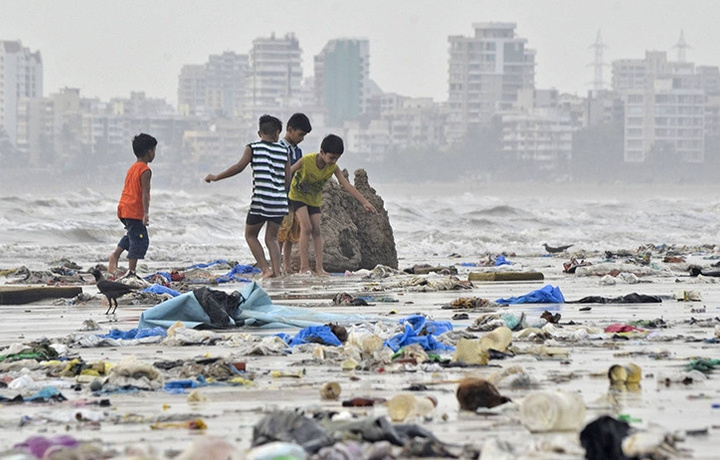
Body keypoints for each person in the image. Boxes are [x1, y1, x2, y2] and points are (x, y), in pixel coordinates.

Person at [204, 115, 289, 278]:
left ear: (259, 133)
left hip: (261, 201)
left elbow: (238, 167)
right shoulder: (284, 150)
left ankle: (265, 269)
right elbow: (287, 179)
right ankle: (277, 272)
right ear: (278, 133)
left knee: (250, 235)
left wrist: (216, 177)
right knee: (271, 238)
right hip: (279, 202)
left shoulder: (253, 148)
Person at [288, 134, 377, 275]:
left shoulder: (333, 168)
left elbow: (347, 186)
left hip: (314, 198)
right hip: (297, 195)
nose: (333, 161)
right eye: (331, 157)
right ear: (322, 152)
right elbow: (288, 172)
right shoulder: (306, 160)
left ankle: (319, 268)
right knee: (306, 227)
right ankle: (303, 267)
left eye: (337, 158)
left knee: (317, 229)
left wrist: (365, 202)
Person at [108, 133, 157, 279]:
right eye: (154, 150)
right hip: (134, 210)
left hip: (124, 208)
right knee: (140, 240)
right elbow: (144, 193)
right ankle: (131, 271)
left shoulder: (133, 167)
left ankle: (115, 255)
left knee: (132, 234)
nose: (154, 154)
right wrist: (146, 213)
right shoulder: (145, 170)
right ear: (149, 152)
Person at [277, 113, 312, 274]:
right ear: (290, 130)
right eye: (300, 135)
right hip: (282, 196)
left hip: (295, 197)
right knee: (280, 232)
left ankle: (287, 264)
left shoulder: (298, 151)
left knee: (291, 233)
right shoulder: (280, 148)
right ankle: (276, 263)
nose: (301, 138)